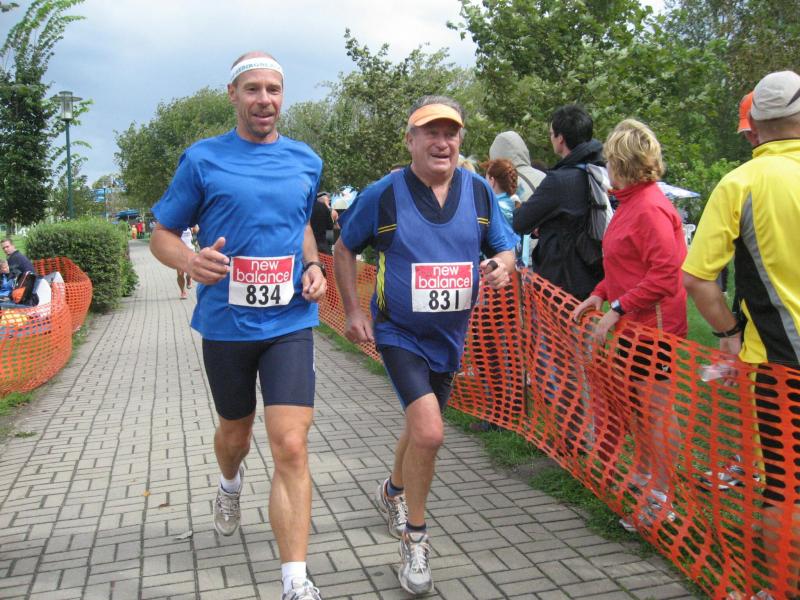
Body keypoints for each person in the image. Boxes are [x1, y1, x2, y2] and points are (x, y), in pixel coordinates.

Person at [149, 51, 326, 600]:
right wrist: (190, 261)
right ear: (233, 94)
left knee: (290, 444)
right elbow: (162, 234)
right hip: (227, 324)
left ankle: (295, 580)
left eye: (273, 89)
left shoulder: (306, 160)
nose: (264, 100)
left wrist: (314, 265)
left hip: (290, 319)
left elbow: (300, 225)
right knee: (236, 435)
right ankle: (229, 483)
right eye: (253, 89)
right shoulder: (203, 159)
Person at [334, 95, 516, 596]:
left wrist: (502, 265)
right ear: (410, 140)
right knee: (431, 433)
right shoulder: (384, 194)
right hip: (399, 332)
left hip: (449, 338)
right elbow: (345, 247)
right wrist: (353, 311)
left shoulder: (479, 193)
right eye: (430, 133)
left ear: (460, 140)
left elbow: (506, 247)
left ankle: (392, 490)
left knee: (421, 426)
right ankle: (415, 539)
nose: (442, 142)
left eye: (450, 133)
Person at [683, 70, 800, 600]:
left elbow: (697, 278)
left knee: (786, 488)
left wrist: (728, 332)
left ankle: (779, 589)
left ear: (755, 124)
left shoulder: (741, 183)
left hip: (781, 365)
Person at [571, 118, 687, 531]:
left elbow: (665, 274)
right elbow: (624, 262)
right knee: (639, 407)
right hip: (635, 326)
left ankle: (664, 497)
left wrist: (617, 308)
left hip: (655, 328)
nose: (607, 168)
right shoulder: (630, 203)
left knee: (656, 410)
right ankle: (649, 475)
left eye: (610, 161)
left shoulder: (651, 207)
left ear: (623, 163)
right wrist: (600, 293)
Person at [512, 104, 605, 300]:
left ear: (560, 138)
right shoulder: (599, 169)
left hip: (561, 281)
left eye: (551, 134)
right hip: (591, 271)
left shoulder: (560, 180)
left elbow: (520, 221)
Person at [176, 226, 197, 299]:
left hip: (190, 251)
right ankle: (183, 292)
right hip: (179, 252)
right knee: (180, 274)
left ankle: (188, 278)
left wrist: (195, 228)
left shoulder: (190, 224)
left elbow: (197, 230)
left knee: (190, 270)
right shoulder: (175, 225)